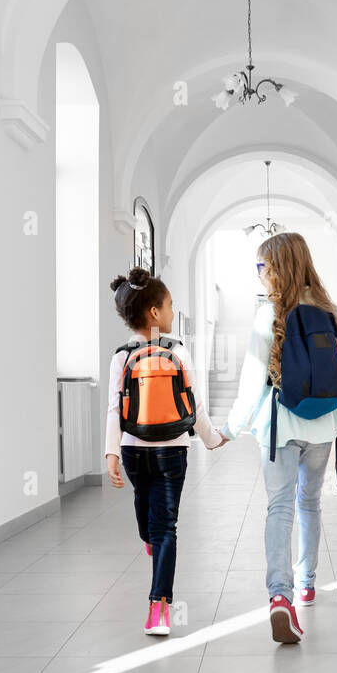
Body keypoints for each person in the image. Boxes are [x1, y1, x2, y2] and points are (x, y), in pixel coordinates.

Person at [219, 232, 337, 643]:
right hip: (324, 428)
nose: (260, 275)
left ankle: (281, 597)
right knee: (309, 504)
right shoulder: (330, 311)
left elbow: (251, 385)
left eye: (264, 266)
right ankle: (307, 582)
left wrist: (227, 430)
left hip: (279, 427)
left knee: (279, 509)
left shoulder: (269, 314)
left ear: (278, 268)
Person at [104, 267, 225, 636]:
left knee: (158, 520)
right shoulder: (178, 352)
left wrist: (113, 451)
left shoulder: (122, 357)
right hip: (169, 448)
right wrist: (211, 438)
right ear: (154, 312)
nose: (173, 313)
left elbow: (115, 407)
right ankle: (153, 541)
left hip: (136, 450)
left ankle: (159, 604)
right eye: (170, 306)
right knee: (158, 521)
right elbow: (195, 405)